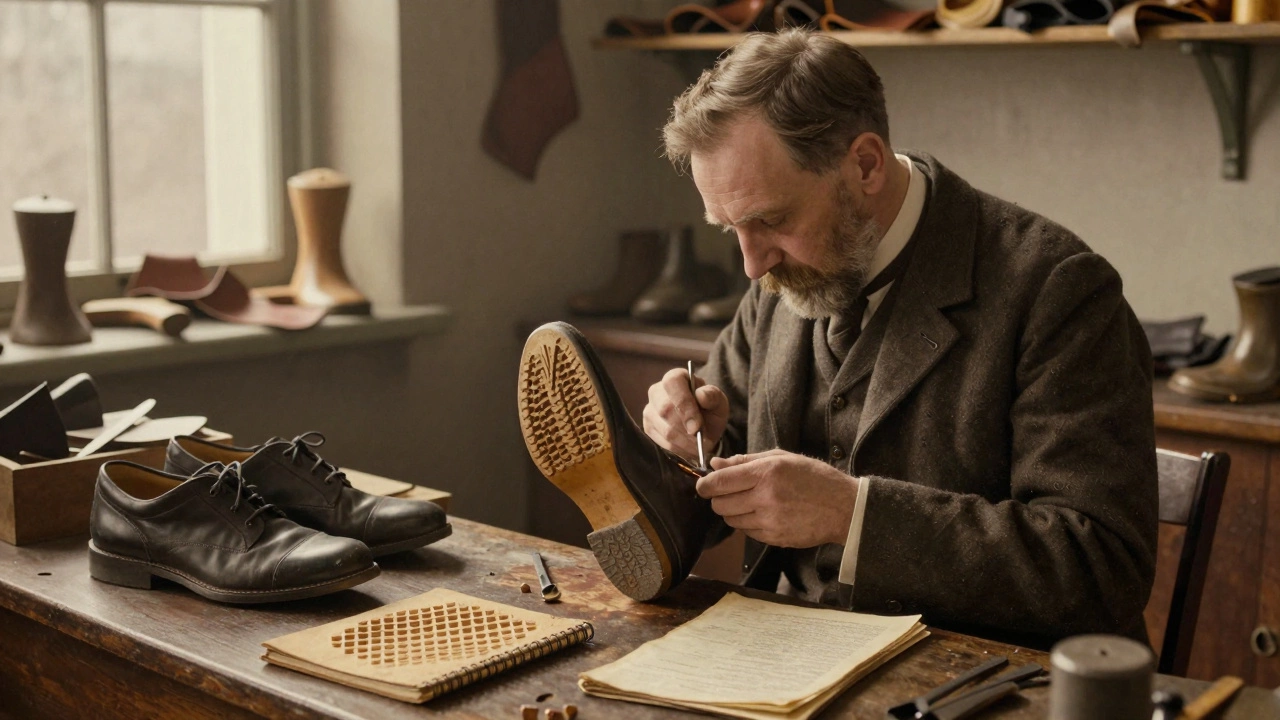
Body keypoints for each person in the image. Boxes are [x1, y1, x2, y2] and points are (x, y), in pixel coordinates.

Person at [642, 29, 1158, 646]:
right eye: (730, 230)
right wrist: (685, 444)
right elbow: (715, 470)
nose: (752, 267)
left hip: (984, 680)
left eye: (771, 221)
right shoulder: (784, 268)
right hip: (786, 662)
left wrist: (849, 513)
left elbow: (1100, 570)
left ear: (864, 164)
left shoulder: (1058, 290)